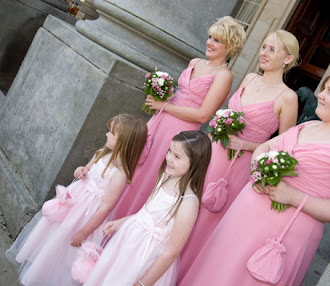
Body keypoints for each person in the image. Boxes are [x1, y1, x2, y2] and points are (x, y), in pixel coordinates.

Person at [179, 67, 330, 286]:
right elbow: (264, 147)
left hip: (282, 234)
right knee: (215, 271)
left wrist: (293, 196)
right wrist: (258, 170)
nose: (320, 94)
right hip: (245, 214)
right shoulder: (308, 126)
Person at [178, 29, 299, 281]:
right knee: (185, 204)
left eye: (272, 49)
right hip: (212, 152)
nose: (264, 53)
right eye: (264, 47)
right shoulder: (250, 79)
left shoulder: (288, 98)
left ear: (288, 59)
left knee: (206, 223)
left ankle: (187, 275)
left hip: (238, 169)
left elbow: (285, 147)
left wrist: (248, 145)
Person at [112, 16, 247, 219]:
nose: (209, 42)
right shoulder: (195, 62)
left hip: (179, 131)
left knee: (153, 176)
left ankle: (127, 222)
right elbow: (180, 95)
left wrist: (163, 106)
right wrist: (161, 93)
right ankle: (110, 212)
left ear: (230, 46)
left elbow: (203, 114)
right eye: (210, 37)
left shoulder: (224, 76)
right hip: (159, 121)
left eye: (217, 40)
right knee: (136, 165)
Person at [6, 114, 148, 286]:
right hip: (71, 206)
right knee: (54, 238)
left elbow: (105, 208)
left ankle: (53, 279)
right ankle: (38, 273)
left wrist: (84, 232)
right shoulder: (103, 153)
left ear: (124, 143)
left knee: (67, 249)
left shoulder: (120, 173)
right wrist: (81, 170)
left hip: (86, 217)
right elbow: (86, 169)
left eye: (111, 133)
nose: (106, 135)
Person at [84, 131, 212, 286]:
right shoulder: (166, 177)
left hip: (145, 258)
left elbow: (171, 252)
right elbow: (147, 213)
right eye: (170, 151)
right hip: (129, 242)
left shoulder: (188, 202)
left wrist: (143, 283)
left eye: (177, 157)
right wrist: (122, 222)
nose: (169, 158)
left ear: (195, 163)